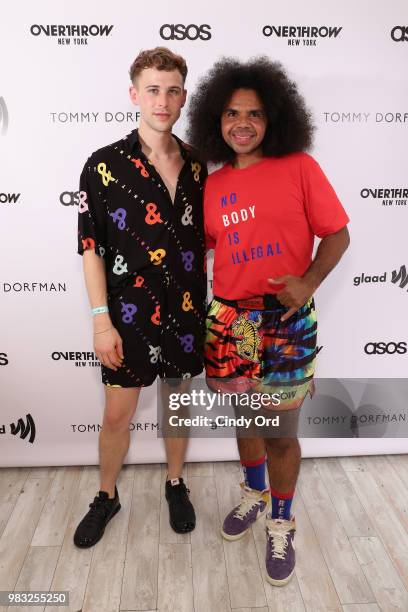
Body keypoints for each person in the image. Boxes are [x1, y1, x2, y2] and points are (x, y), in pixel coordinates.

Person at [187, 56, 350, 585]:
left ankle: (282, 520)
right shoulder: (210, 187)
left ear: (272, 119)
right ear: (216, 119)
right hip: (231, 322)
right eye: (231, 113)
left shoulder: (300, 167)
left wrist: (307, 282)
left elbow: (338, 234)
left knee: (279, 432)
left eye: (253, 114)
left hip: (286, 319)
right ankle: (253, 494)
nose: (242, 123)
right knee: (247, 419)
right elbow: (206, 252)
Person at [74, 47, 207, 548]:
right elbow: (91, 248)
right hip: (128, 318)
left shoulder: (199, 165)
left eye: (172, 90)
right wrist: (100, 321)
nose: (163, 99)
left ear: (184, 98)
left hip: (187, 311)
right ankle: (106, 495)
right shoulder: (103, 166)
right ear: (134, 94)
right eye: (153, 89)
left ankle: (175, 483)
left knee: (176, 405)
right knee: (116, 415)